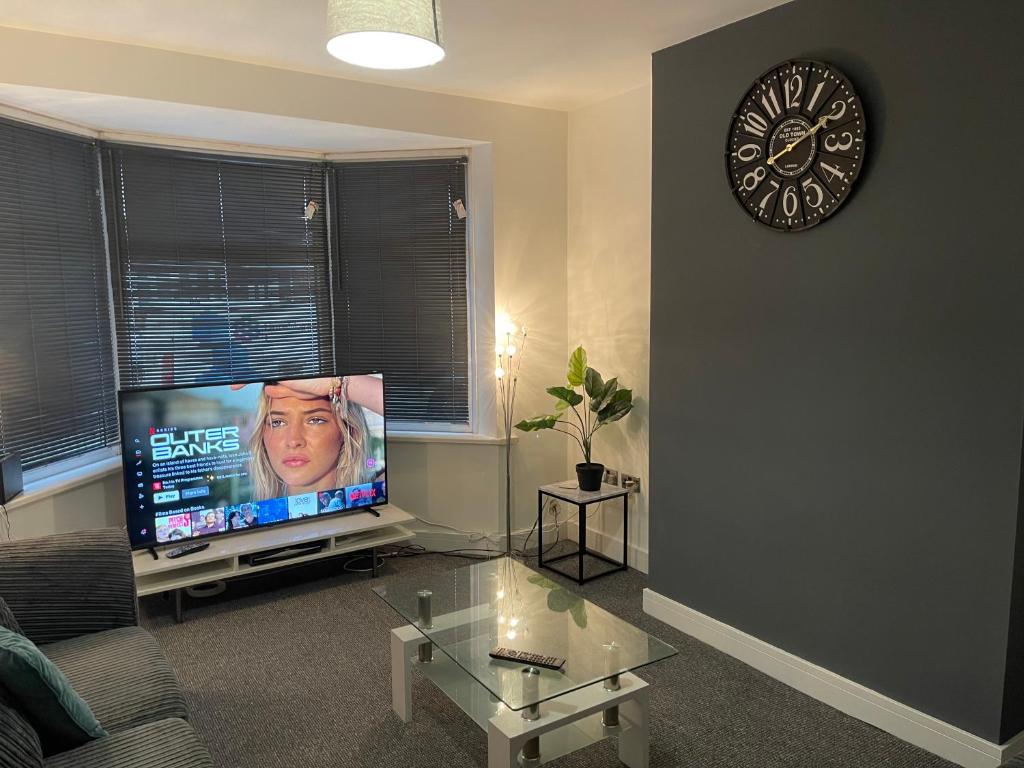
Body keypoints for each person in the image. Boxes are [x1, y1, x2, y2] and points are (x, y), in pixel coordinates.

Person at [239, 375, 384, 500]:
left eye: (315, 420)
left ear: (347, 431)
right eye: (277, 422)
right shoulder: (247, 518)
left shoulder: (372, 495)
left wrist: (335, 383)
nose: (293, 441)